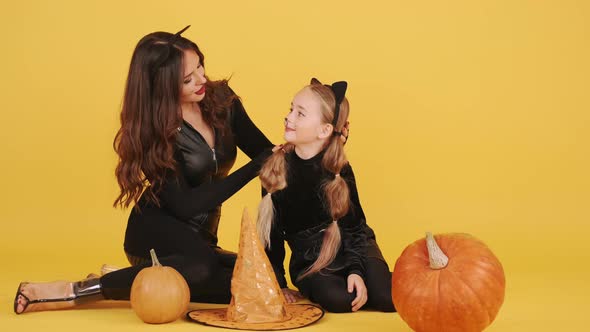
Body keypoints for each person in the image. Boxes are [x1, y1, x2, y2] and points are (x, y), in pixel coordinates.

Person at [14, 25, 273, 314]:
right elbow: (187, 206)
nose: (202, 79)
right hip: (153, 233)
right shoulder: (153, 132)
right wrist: (256, 166)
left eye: (200, 66)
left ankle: (136, 281)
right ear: (162, 86)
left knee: (254, 283)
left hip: (200, 244)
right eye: (188, 79)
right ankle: (78, 290)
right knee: (200, 268)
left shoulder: (222, 100)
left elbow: (269, 156)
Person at [257, 78, 396, 313]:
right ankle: (345, 284)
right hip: (312, 258)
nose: (289, 117)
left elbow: (353, 226)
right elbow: (271, 235)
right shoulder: (277, 168)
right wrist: (278, 283)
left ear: (324, 130)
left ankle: (381, 277)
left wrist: (356, 271)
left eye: (300, 114)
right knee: (340, 301)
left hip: (353, 245)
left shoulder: (339, 170)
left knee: (386, 298)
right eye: (291, 109)